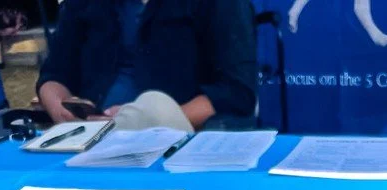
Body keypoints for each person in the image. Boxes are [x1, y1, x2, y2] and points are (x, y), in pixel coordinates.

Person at [37, 0, 257, 131]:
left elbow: (236, 91)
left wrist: (150, 121)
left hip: (178, 140)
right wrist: (60, 108)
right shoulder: (84, 5)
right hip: (90, 138)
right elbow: (55, 73)